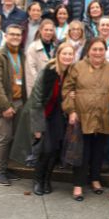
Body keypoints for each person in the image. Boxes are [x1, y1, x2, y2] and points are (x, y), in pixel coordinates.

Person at [63, 38, 109, 201]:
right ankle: (78, 184)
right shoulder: (77, 67)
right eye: (94, 49)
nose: (98, 52)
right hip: (82, 116)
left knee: (98, 151)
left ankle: (95, 179)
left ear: (105, 51)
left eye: (101, 49)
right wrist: (71, 110)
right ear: (88, 50)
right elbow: (67, 90)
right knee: (81, 152)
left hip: (103, 115)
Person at [29, 42, 76, 196]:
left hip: (58, 115)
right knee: (46, 149)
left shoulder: (70, 72)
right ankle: (38, 180)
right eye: (65, 53)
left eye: (70, 54)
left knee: (54, 149)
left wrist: (71, 95)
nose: (67, 57)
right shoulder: (48, 71)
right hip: (44, 114)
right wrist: (37, 127)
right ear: (58, 55)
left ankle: (47, 180)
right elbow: (36, 100)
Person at [0, 24, 27, 185]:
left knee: (13, 138)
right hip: (4, 104)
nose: (16, 37)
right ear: (6, 36)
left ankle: (6, 167)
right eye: (12, 34)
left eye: (18, 35)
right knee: (4, 137)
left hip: (19, 101)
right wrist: (5, 106)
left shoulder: (22, 54)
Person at [26, 19, 56, 97]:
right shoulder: (33, 47)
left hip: (52, 89)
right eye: (46, 30)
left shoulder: (56, 47)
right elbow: (31, 72)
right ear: (40, 30)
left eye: (51, 30)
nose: (48, 32)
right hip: (38, 90)